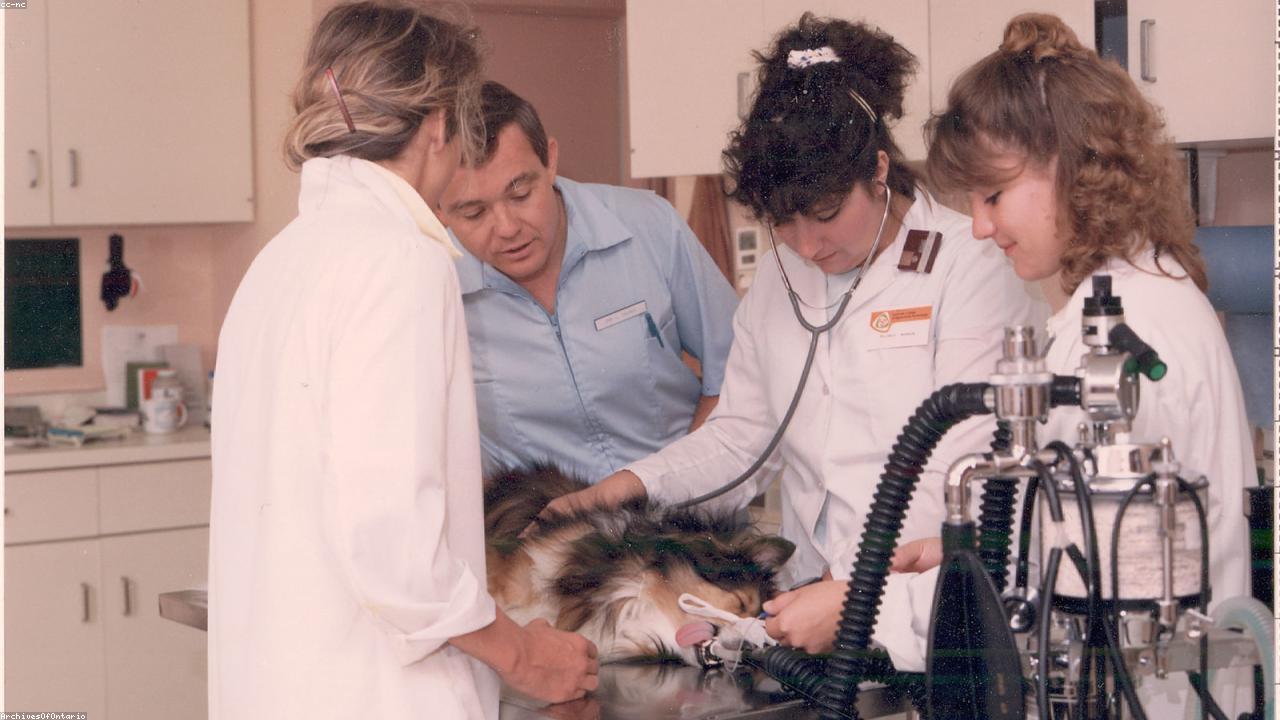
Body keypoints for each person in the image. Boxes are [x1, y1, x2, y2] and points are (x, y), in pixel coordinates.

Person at [543, 13, 1041, 671]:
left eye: (827, 214)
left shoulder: (967, 267)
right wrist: (621, 490)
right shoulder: (779, 289)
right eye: (782, 222)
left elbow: (963, 470)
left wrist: (863, 596)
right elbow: (742, 439)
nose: (807, 244)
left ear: (880, 170)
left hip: (932, 617)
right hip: (813, 614)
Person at [208, 5, 597, 719]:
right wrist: (524, 656)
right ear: (442, 123)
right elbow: (393, 544)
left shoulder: (283, 259)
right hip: (376, 691)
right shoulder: (398, 260)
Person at [926, 13, 1252, 714]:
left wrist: (868, 611)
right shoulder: (1135, 296)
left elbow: (1077, 586)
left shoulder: (1126, 333)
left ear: (1072, 170)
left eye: (993, 196)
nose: (980, 228)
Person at [439, 82, 739, 482]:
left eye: (521, 193)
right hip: (547, 537)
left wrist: (678, 485)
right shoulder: (434, 286)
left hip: (684, 520)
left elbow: (738, 374)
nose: (507, 228)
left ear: (551, 161)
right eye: (474, 213)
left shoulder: (648, 225)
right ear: (439, 211)